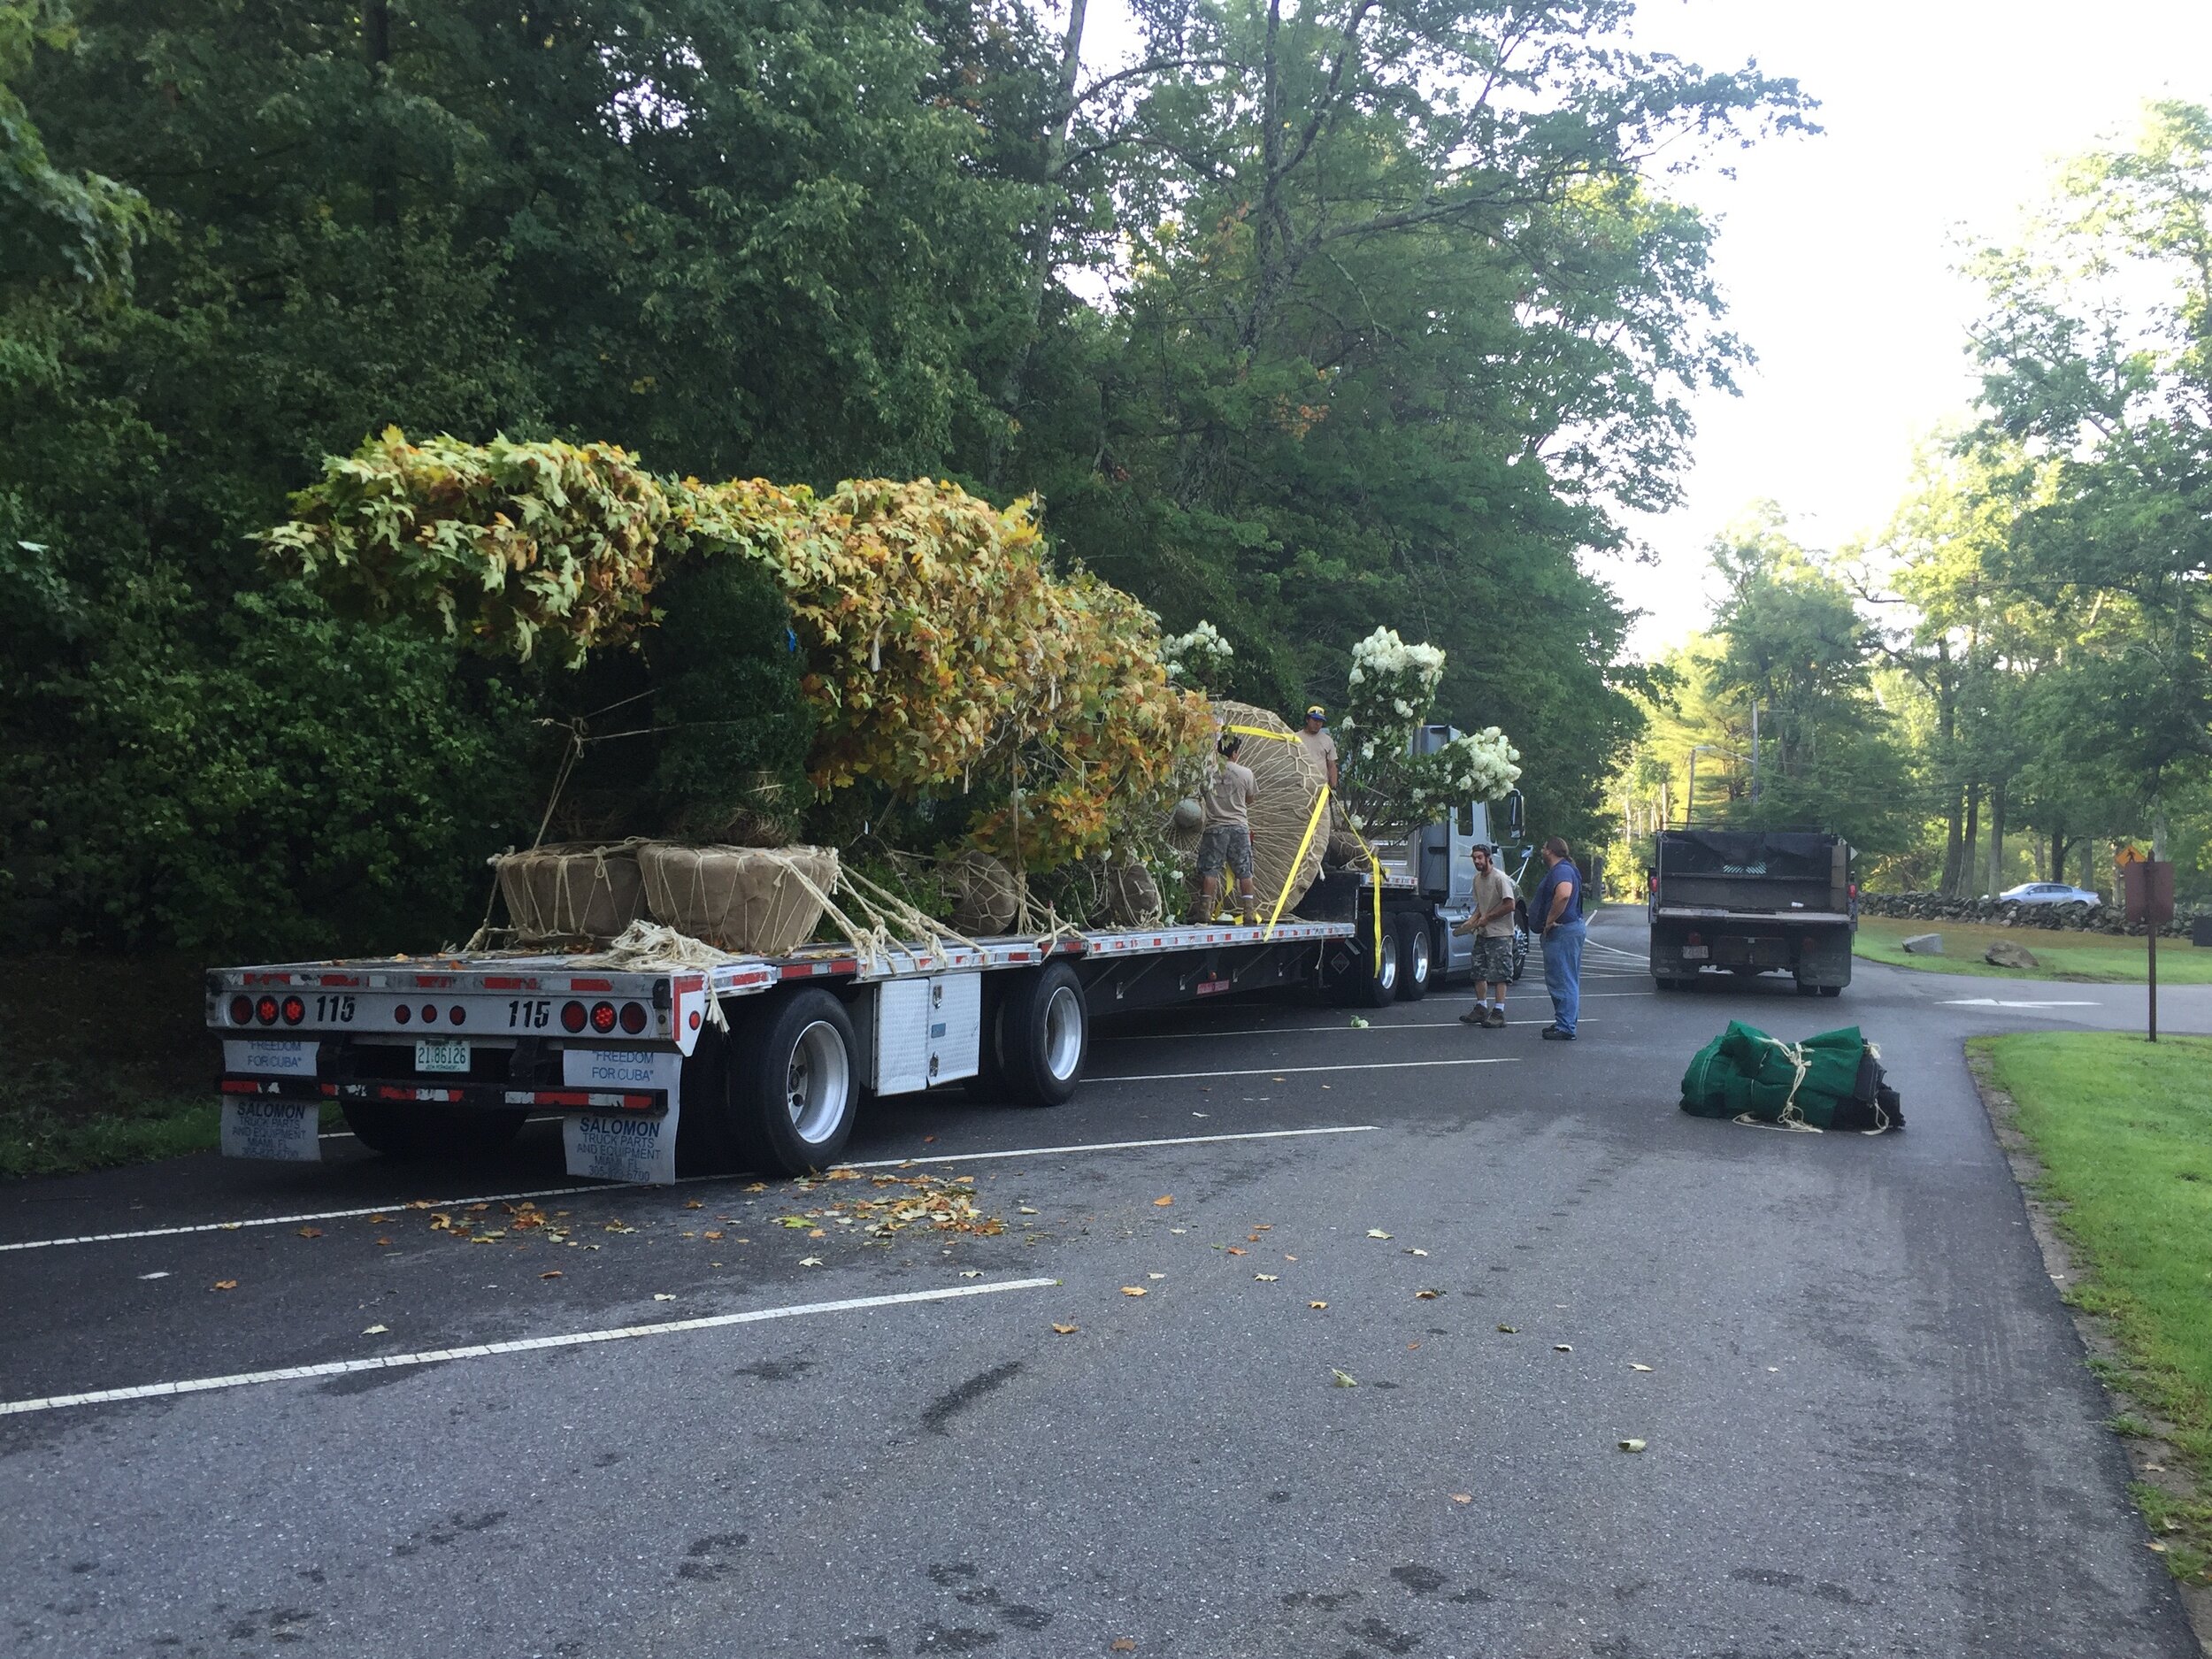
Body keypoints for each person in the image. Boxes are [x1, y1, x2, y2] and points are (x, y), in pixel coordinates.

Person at [1192, 732, 1260, 925]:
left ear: (1218, 750)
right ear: (1235, 752)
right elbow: (1250, 799)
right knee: (1244, 872)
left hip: (1215, 828)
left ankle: (1205, 913)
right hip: (1239, 828)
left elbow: (1201, 795)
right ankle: (1248, 913)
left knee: (1211, 871)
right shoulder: (1246, 773)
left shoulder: (1207, 773)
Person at [1452, 844, 1517, 1027]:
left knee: (1500, 974)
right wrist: (1472, 921)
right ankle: (1481, 1008)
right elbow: (1481, 905)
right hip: (1483, 933)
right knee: (1478, 971)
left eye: (1480, 857)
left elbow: (1510, 905)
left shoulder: (1500, 878)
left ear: (1488, 858)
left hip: (1501, 934)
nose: (1476, 861)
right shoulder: (1477, 879)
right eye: (1474, 858)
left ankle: (1499, 1012)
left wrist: (1487, 918)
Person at [1533, 836, 1586, 1040]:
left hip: (1562, 931)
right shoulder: (1565, 868)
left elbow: (1563, 893)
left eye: (1544, 846)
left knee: (1563, 979)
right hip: (1569, 929)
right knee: (1566, 978)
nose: (1541, 849)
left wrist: (1549, 921)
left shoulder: (1562, 870)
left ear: (1550, 851)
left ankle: (1566, 1027)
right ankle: (1565, 1021)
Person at [1298, 705, 1340, 790]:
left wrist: (1333, 787)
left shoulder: (1328, 740)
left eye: (1320, 721)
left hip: (1321, 788)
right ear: (1307, 720)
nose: (1318, 724)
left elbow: (1332, 765)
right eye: (1315, 720)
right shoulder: (1295, 738)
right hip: (1299, 787)